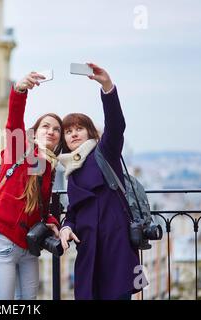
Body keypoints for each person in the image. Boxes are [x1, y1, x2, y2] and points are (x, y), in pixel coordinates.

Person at [58, 63, 142, 300]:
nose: (74, 134)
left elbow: (116, 127)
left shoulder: (104, 152)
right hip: (88, 251)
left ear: (89, 132)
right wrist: (66, 227)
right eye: (68, 131)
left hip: (115, 246)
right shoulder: (70, 169)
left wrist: (107, 87)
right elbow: (74, 212)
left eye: (79, 128)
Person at [0, 72, 66, 300]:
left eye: (56, 130)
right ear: (34, 131)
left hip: (29, 248)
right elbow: (14, 122)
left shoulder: (48, 166)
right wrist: (20, 91)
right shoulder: (19, 150)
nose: (51, 131)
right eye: (46, 126)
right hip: (5, 245)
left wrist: (50, 221)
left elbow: (40, 208)